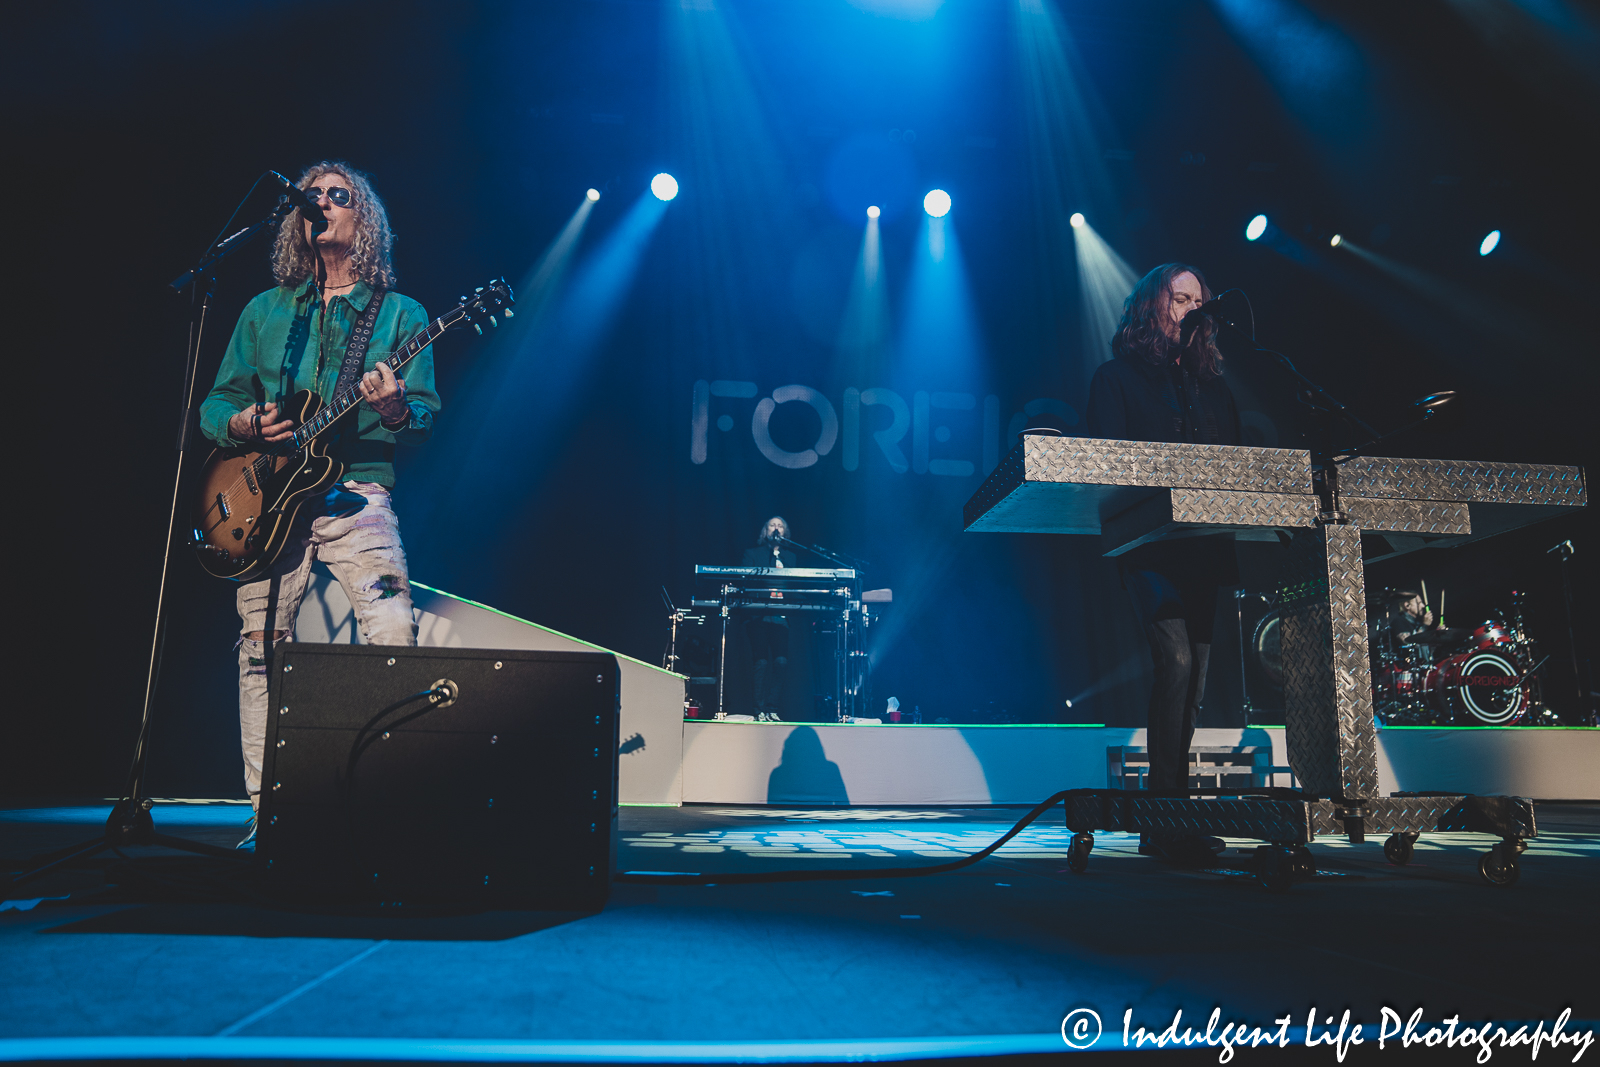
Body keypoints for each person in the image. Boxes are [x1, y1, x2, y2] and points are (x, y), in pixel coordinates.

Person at [198, 162, 441, 847]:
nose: (323, 203)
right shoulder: (267, 311)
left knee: (393, 635)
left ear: (363, 219)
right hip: (267, 502)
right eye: (314, 196)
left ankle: (382, 807)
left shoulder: (400, 315)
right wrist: (244, 425)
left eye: (340, 196)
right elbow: (215, 404)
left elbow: (422, 415)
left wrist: (394, 406)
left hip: (356, 495)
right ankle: (263, 813)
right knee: (258, 651)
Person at [1086, 263, 1241, 864]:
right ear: (1153, 305)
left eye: (1198, 301)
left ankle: (1172, 814)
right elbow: (1106, 472)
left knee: (1197, 675)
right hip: (1150, 547)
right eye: (1180, 299)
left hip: (1205, 544)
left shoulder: (1212, 389)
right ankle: (1162, 816)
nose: (1190, 310)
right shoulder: (1116, 379)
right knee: (1174, 661)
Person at [741, 516, 796, 721]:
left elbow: (795, 586)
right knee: (762, 662)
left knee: (781, 662)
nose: (776, 528)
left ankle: (772, 708)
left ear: (785, 532)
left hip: (780, 615)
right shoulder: (753, 554)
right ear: (765, 530)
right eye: (772, 525)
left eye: (780, 525)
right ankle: (759, 710)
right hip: (759, 615)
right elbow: (746, 580)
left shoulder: (790, 557)